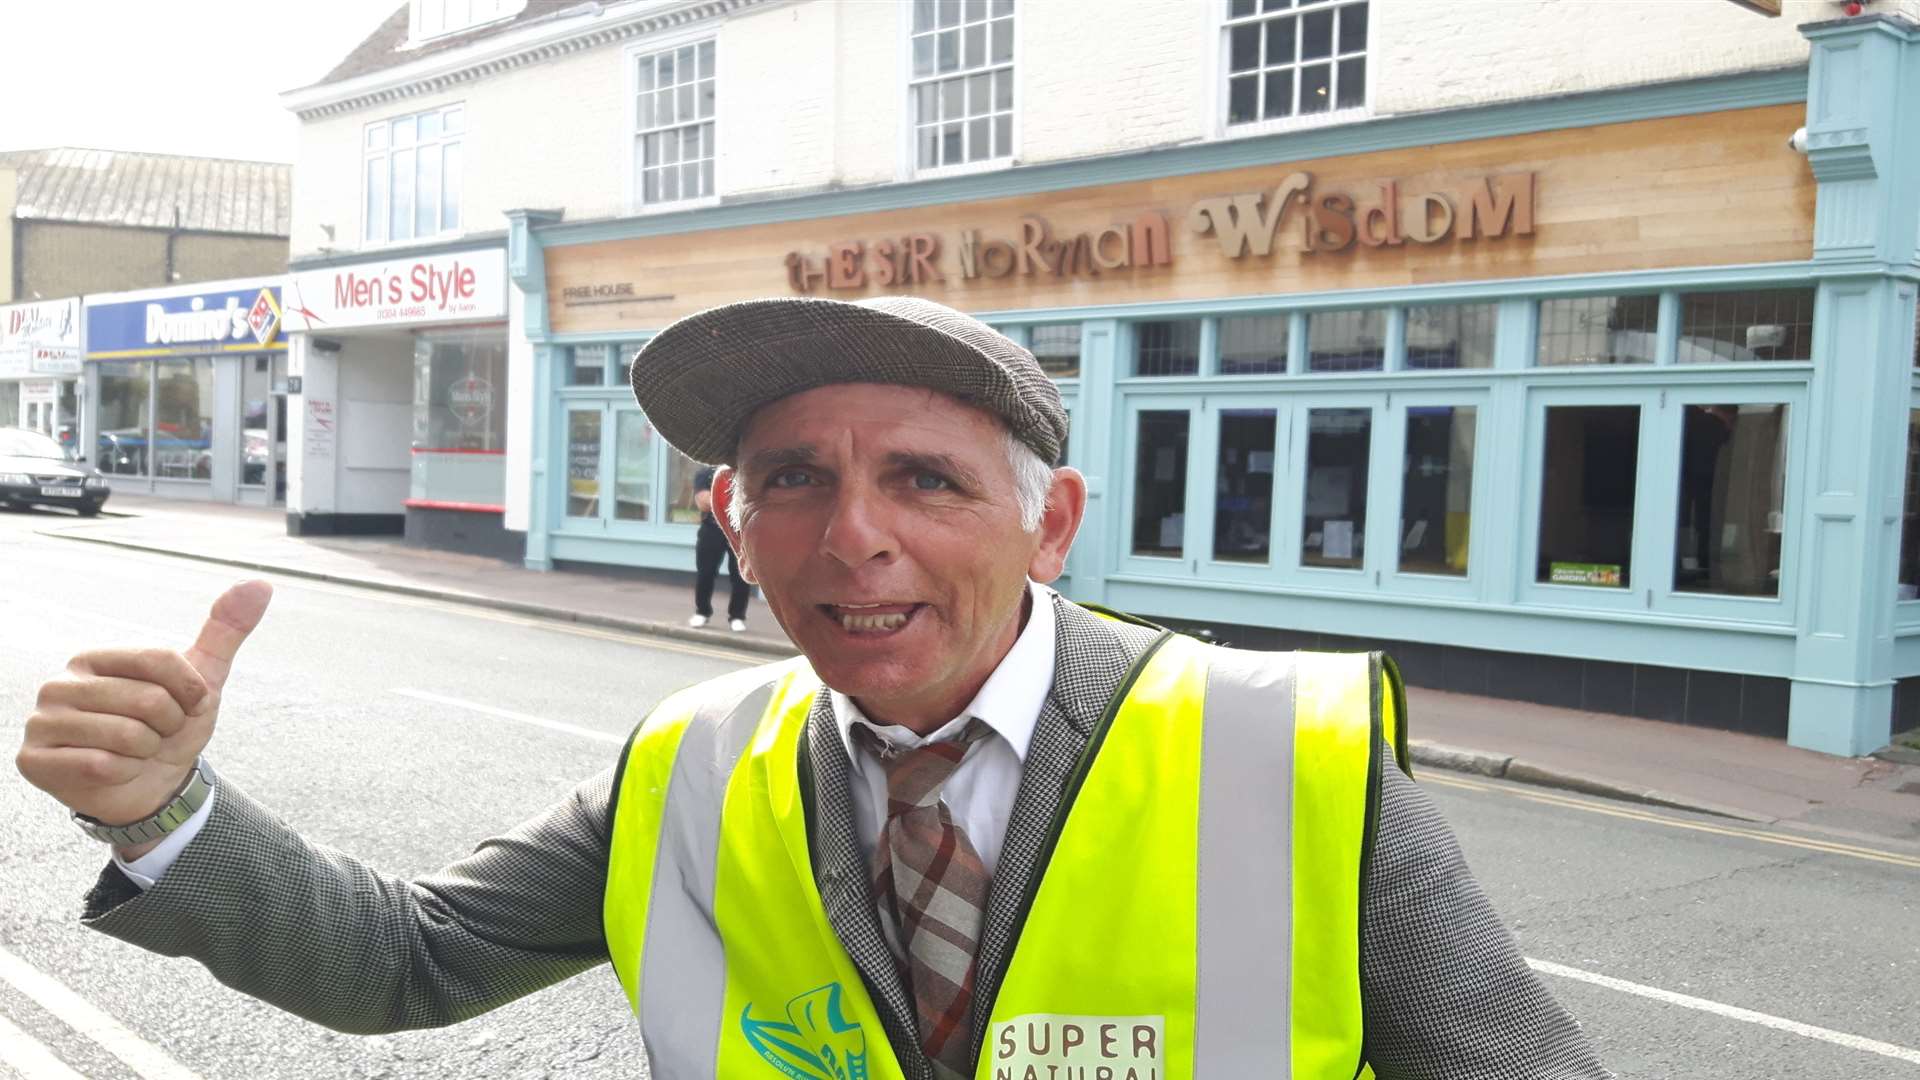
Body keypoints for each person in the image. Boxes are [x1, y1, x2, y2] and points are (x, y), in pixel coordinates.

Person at [17, 296, 1609, 1079]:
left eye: (925, 478)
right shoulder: (694, 761)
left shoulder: (1282, 757)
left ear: (1048, 524)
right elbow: (406, 962)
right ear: (734, 522)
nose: (854, 539)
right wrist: (170, 810)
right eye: (790, 479)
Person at [690, 463, 751, 632]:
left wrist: (718, 498)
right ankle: (702, 612)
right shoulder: (706, 473)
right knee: (706, 572)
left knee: (740, 576)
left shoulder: (744, 471)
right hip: (712, 529)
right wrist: (735, 501)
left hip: (739, 531)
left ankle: (737, 616)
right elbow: (703, 502)